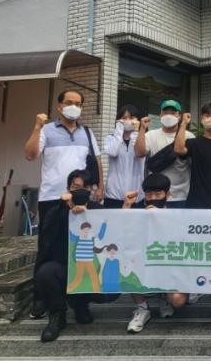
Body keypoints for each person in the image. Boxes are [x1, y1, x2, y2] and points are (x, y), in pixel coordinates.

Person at [24, 90, 103, 319]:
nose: (73, 107)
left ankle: (80, 301)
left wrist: (100, 186)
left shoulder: (87, 133)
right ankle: (41, 298)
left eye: (78, 104)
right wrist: (37, 127)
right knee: (47, 249)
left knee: (80, 248)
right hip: (52, 198)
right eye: (69, 102)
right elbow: (30, 154)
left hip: (80, 200)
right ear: (59, 106)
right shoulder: (47, 130)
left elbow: (96, 161)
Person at [33, 169, 120, 342]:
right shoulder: (56, 210)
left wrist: (88, 216)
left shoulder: (99, 211)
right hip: (64, 265)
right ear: (68, 189)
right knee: (46, 272)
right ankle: (57, 315)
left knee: (106, 286)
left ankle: (81, 305)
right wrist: (66, 209)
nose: (80, 191)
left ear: (91, 190)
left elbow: (111, 233)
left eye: (85, 187)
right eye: (75, 187)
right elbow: (47, 237)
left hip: (91, 263)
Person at [123, 173, 188, 333]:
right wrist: (126, 206)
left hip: (170, 266)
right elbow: (121, 232)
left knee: (178, 300)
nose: (153, 198)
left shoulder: (178, 215)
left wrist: (160, 217)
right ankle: (142, 307)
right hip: (144, 263)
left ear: (167, 194)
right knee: (126, 261)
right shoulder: (136, 212)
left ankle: (165, 297)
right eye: (149, 194)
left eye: (158, 194)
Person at [135, 99, 194, 208]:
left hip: (181, 196)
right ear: (160, 115)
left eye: (173, 113)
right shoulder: (151, 135)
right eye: (166, 113)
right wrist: (142, 128)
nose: (169, 116)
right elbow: (139, 153)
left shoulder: (189, 136)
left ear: (179, 116)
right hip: (156, 196)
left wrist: (184, 125)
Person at [103, 104, 145, 208]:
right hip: (113, 195)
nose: (128, 121)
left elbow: (138, 153)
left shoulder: (142, 139)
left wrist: (136, 131)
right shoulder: (110, 138)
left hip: (136, 195)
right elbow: (113, 152)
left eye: (131, 118)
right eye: (124, 118)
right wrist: (119, 130)